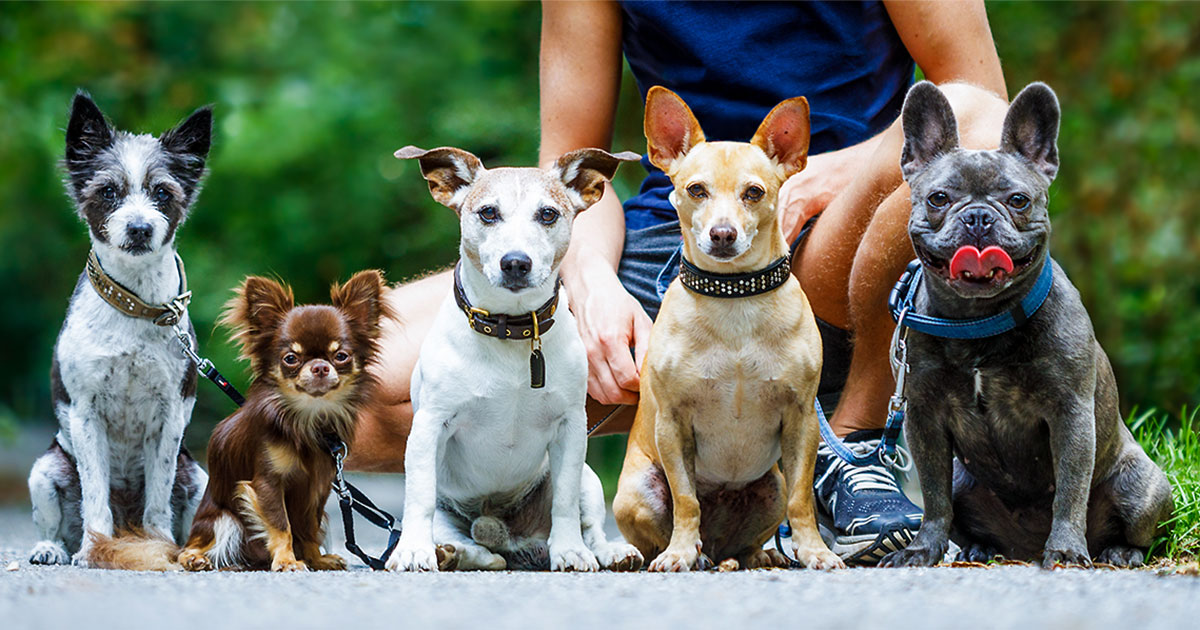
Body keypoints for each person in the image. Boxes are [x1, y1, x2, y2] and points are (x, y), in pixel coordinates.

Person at [350, 0, 1011, 565]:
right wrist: (589, 280)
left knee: (971, 120)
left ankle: (856, 441)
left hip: (843, 228)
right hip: (674, 248)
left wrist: (821, 180)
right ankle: (501, 524)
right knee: (361, 382)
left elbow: (984, 100)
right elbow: (570, 159)